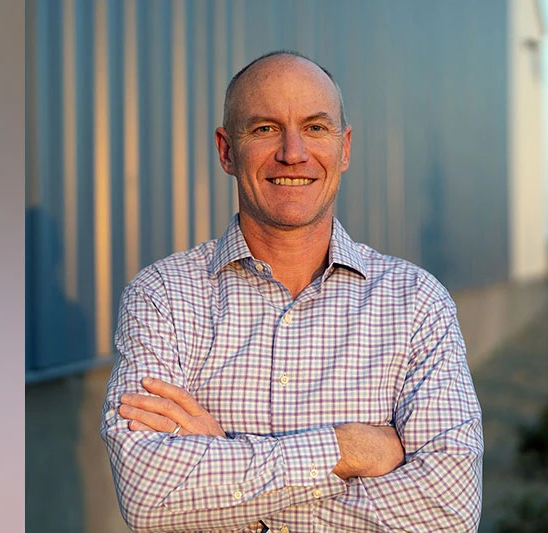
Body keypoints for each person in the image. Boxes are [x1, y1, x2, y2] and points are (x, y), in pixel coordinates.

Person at [100, 50, 483, 532]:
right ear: (226, 150)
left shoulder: (415, 302)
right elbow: (148, 496)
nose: (293, 153)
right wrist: (350, 449)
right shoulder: (163, 296)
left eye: (316, 128)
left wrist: (228, 470)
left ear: (344, 149)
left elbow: (449, 511)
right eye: (264, 129)